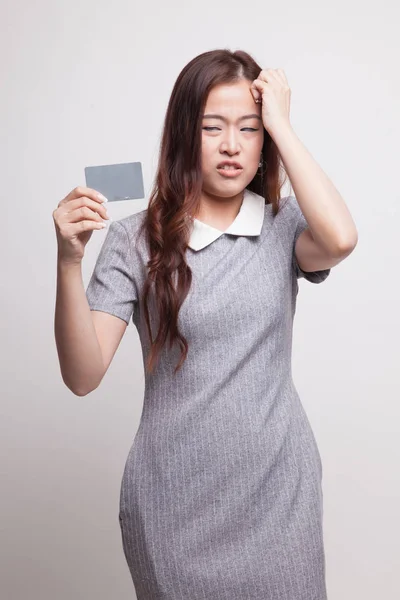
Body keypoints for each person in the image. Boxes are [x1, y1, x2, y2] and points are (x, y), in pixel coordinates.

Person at [53, 49, 358, 600]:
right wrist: (69, 262)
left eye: (250, 128)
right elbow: (82, 374)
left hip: (277, 497)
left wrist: (283, 123)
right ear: (182, 134)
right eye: (212, 127)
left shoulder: (285, 225)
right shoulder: (133, 239)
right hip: (172, 502)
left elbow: (339, 240)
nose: (232, 145)